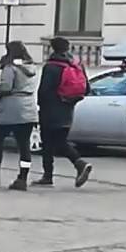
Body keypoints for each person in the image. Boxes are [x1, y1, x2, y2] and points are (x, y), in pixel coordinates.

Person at [0, 40, 39, 191]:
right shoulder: (31, 67)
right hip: (28, 108)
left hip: (10, 109)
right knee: (24, 146)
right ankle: (23, 178)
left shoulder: (10, 67)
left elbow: (6, 87)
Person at [35, 36, 93, 188]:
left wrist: (39, 105)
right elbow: (86, 89)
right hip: (68, 109)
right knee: (60, 140)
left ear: (53, 48)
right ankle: (51, 174)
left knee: (49, 143)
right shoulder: (76, 65)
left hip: (50, 110)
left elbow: (44, 90)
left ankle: (76, 164)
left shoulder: (51, 66)